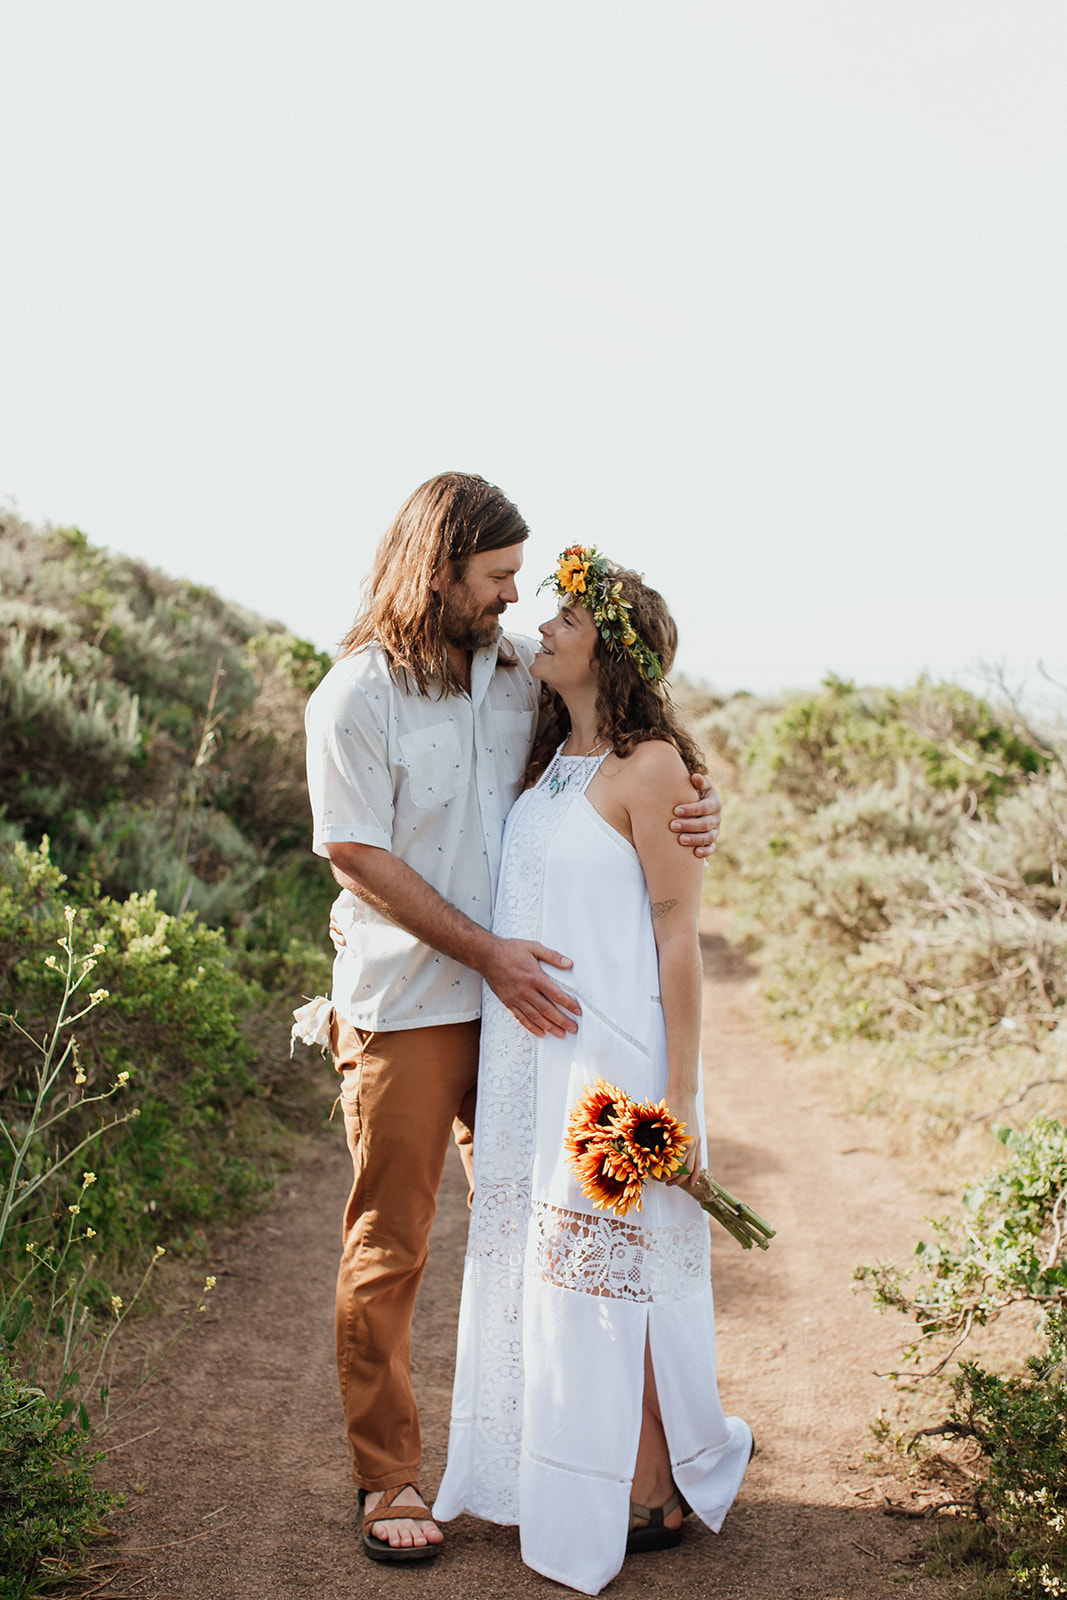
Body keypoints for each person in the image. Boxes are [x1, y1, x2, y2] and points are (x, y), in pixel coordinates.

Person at [302, 474, 723, 1562]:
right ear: (436, 571)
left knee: (565, 1237)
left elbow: (620, 747)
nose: (510, 602)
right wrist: (485, 951)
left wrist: (695, 797)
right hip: (412, 1003)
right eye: (492, 580)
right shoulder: (353, 696)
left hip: (528, 1025)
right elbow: (353, 851)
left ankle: (593, 1462)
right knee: (390, 1243)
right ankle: (390, 1479)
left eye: (521, 587)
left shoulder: (511, 679)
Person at [432, 544, 752, 1594]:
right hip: (532, 1053)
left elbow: (674, 935)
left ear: (605, 650)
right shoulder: (547, 758)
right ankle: (602, 1472)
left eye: (565, 617)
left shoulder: (651, 768)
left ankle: (649, 1482)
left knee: (606, 1269)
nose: (544, 626)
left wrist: (680, 1096)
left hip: (609, 1057)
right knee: (564, 1266)